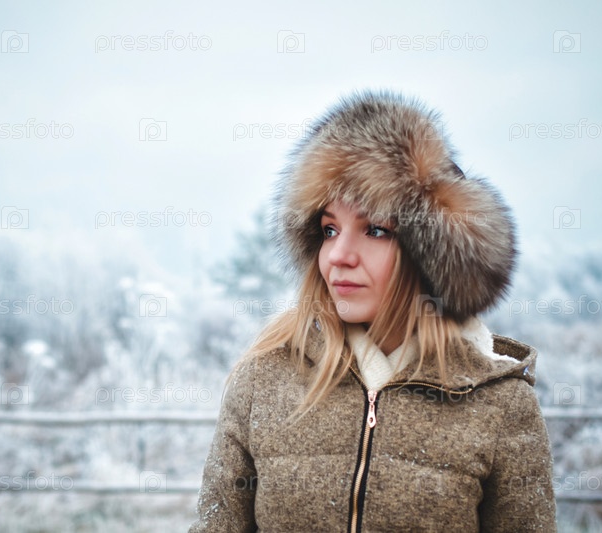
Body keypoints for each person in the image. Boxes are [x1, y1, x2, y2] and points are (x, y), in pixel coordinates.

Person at [189, 91, 557, 532]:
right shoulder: (262, 381)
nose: (338, 255)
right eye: (329, 229)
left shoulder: (500, 404)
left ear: (430, 254)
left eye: (376, 230)